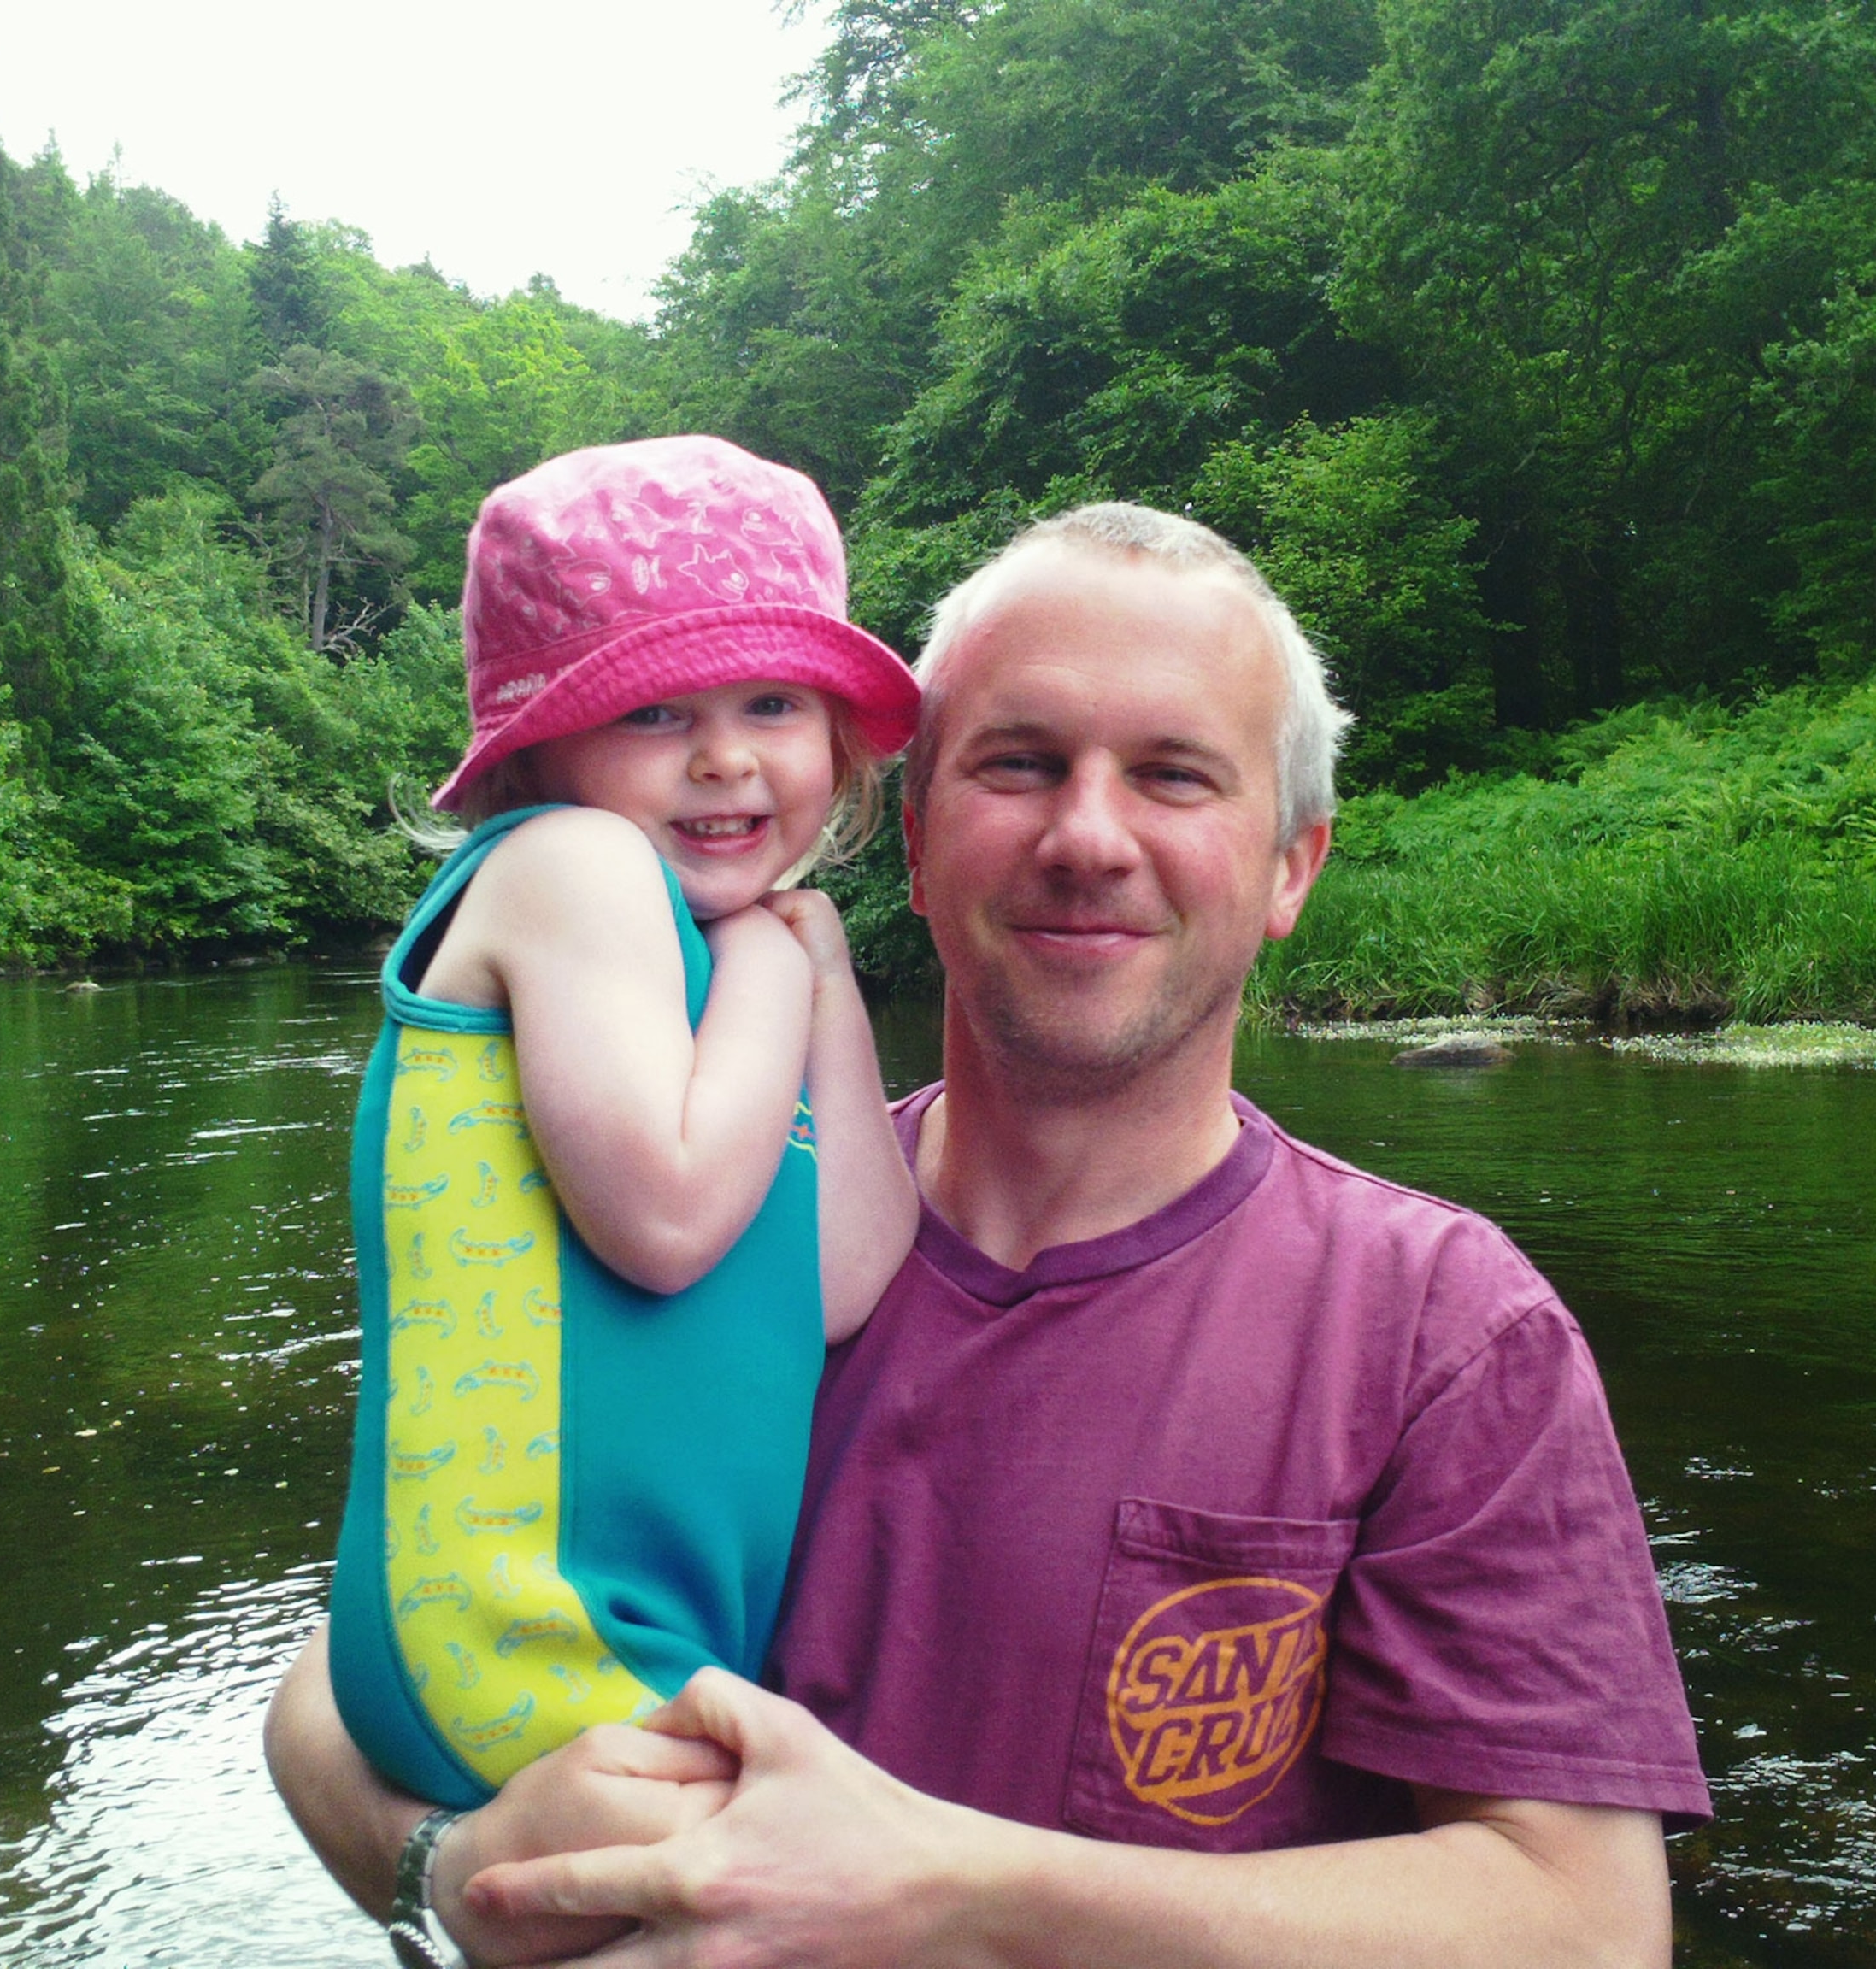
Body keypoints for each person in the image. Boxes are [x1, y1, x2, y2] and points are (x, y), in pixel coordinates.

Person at [269, 501, 1711, 1968]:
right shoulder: (720, 1204)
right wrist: (450, 1867)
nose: (1089, 838)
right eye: (1019, 764)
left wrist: (951, 1890)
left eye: (1174, 776)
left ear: (1291, 866)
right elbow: (330, 1682)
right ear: (911, 833)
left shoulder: (1448, 1334)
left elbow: (1586, 1928)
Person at [315, 436, 924, 1882]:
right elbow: (661, 1213)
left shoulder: (715, 960)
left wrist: (817, 974)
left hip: (642, 1616)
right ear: (541, 753)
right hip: (522, 1621)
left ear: (833, 733)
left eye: (773, 702)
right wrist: (783, 969)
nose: (724, 755)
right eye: (654, 710)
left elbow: (843, 1278)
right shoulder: (568, 872)